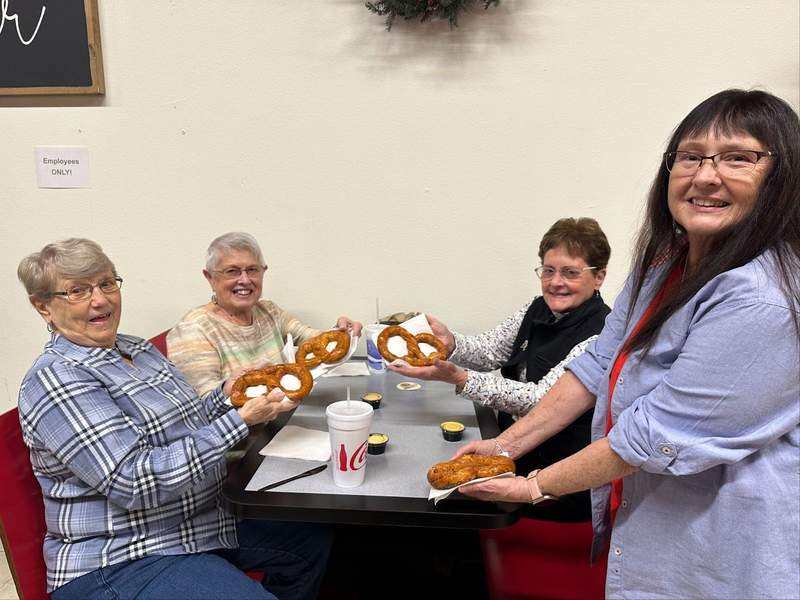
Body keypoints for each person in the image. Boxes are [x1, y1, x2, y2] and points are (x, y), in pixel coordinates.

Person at [454, 90, 800, 599]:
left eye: (738, 158)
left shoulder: (762, 299)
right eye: (689, 156)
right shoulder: (665, 261)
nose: (705, 175)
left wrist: (533, 486)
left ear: (782, 177)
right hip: (646, 516)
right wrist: (506, 447)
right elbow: (598, 365)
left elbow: (654, 435)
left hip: (726, 545)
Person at [17, 238, 332, 600]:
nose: (100, 299)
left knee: (311, 540)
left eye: (106, 283)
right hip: (123, 557)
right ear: (43, 307)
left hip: (195, 521)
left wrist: (227, 396)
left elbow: (191, 423)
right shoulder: (58, 377)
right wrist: (239, 422)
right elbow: (133, 482)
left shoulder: (135, 349)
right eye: (77, 291)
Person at [390, 217, 611, 521]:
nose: (556, 282)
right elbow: (491, 349)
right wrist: (452, 343)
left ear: (598, 277)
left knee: (444, 501)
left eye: (570, 273)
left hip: (552, 472)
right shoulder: (537, 308)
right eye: (548, 271)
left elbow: (541, 401)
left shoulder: (602, 335)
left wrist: (460, 378)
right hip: (508, 443)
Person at [168, 231, 362, 398]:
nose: (244, 280)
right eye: (232, 271)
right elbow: (206, 405)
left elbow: (310, 340)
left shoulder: (268, 311)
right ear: (210, 277)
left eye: (252, 270)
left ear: (263, 272)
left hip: (284, 420)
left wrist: (341, 332)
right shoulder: (192, 330)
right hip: (245, 436)